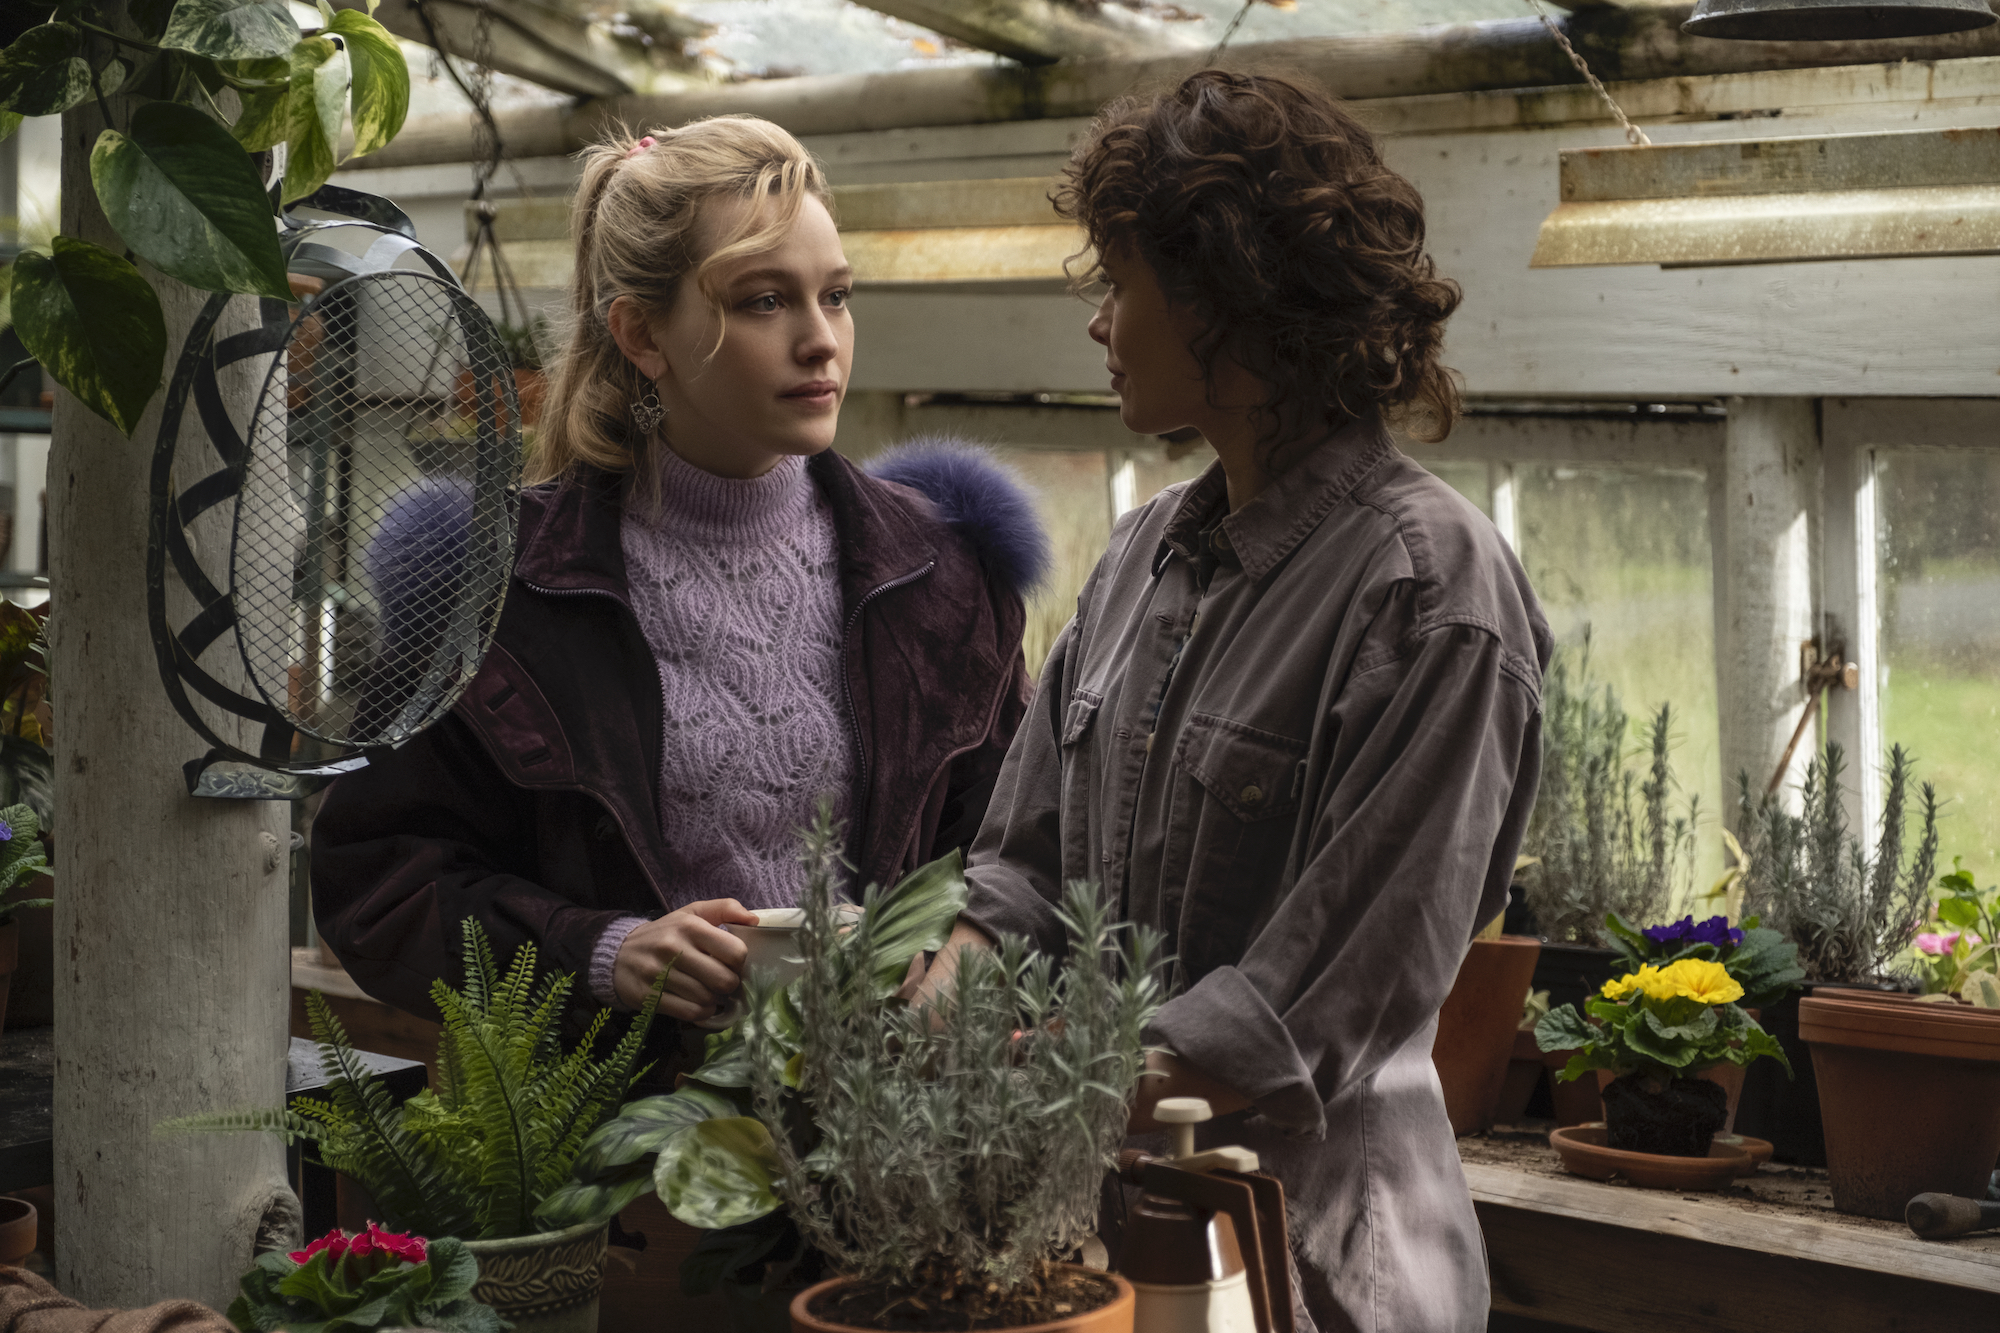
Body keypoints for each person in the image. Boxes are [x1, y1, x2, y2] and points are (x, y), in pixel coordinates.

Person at [923, 71, 1551, 1332]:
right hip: (1092, 1247)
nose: (1099, 324)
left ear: (1219, 297)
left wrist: (1021, 1086)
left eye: (1119, 280)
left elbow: (1299, 1014)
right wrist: (927, 1018)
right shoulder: (1141, 550)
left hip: (1311, 1271)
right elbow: (1022, 872)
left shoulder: (1430, 595)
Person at [312, 117, 1046, 1061]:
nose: (820, 340)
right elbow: (379, 884)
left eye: (837, 295)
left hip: (896, 1136)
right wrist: (601, 950)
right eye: (765, 300)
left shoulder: (942, 574)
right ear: (641, 333)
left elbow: (1025, 853)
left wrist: (951, 957)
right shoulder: (493, 588)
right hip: (625, 1159)